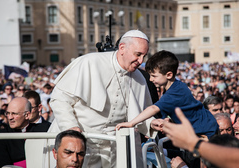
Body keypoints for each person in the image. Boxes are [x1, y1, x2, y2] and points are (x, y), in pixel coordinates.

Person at [45, 30, 157, 168]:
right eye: (138, 54)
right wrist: (71, 127)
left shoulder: (139, 78)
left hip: (112, 150)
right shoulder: (89, 62)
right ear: (122, 48)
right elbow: (59, 99)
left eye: (144, 56)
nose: (141, 61)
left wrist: (153, 124)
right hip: (76, 145)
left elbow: (139, 116)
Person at [116, 50, 218, 139]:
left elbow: (153, 109)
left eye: (154, 76)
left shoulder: (175, 92)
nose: (150, 79)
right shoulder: (175, 87)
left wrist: (131, 123)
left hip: (206, 134)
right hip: (201, 131)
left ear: (169, 75)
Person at [162, 107, 239, 168]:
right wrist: (161, 150)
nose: (234, 126)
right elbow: (191, 155)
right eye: (236, 121)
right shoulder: (230, 150)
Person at [0, 97, 50, 168]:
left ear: (27, 115)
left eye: (14, 114)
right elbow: (2, 164)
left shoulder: (44, 129)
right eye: (8, 113)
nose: (10, 117)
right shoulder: (2, 136)